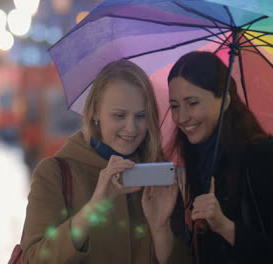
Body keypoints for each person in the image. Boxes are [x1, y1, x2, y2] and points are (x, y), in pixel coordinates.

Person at [20, 59, 185, 263]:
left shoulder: (156, 175)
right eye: (119, 115)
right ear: (96, 111)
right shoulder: (55, 173)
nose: (131, 128)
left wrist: (161, 230)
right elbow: (33, 259)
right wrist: (92, 210)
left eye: (140, 116)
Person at [154, 51, 273, 263]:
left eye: (192, 103)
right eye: (174, 106)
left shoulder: (262, 156)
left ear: (225, 100)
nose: (181, 117)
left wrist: (225, 227)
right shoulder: (198, 158)